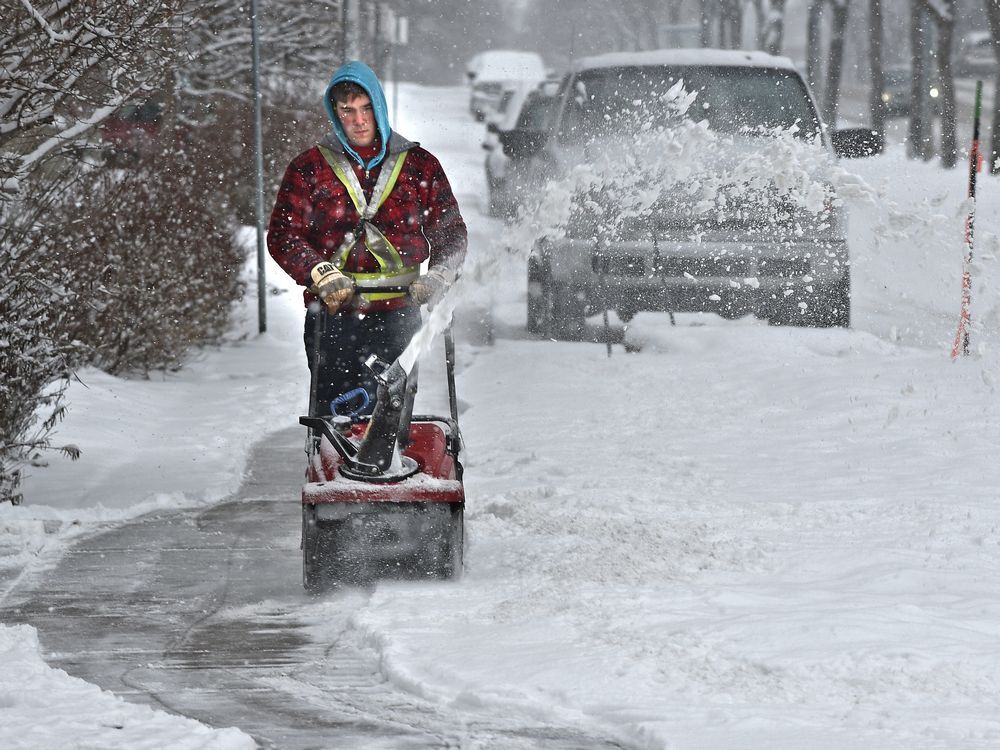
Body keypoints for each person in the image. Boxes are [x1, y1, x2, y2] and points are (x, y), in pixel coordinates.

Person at [268, 61, 468, 417]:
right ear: (335, 112)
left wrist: (439, 275)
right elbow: (284, 235)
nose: (359, 120)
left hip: (399, 316)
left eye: (366, 109)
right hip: (333, 319)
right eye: (348, 111)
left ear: (379, 107)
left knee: (392, 425)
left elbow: (450, 232)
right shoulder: (309, 168)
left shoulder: (419, 166)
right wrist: (319, 272)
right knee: (335, 426)